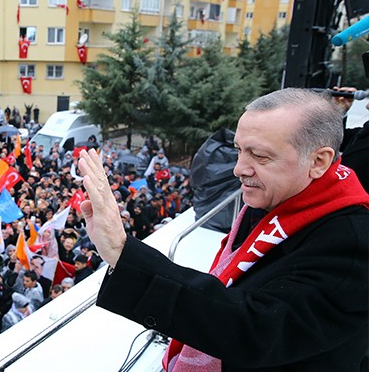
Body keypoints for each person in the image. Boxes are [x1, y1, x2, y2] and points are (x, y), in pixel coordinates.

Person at [77, 88, 369, 370]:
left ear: (319, 161)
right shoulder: (278, 198)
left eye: (260, 156)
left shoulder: (351, 244)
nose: (239, 168)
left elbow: (254, 328)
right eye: (239, 150)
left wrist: (122, 251)